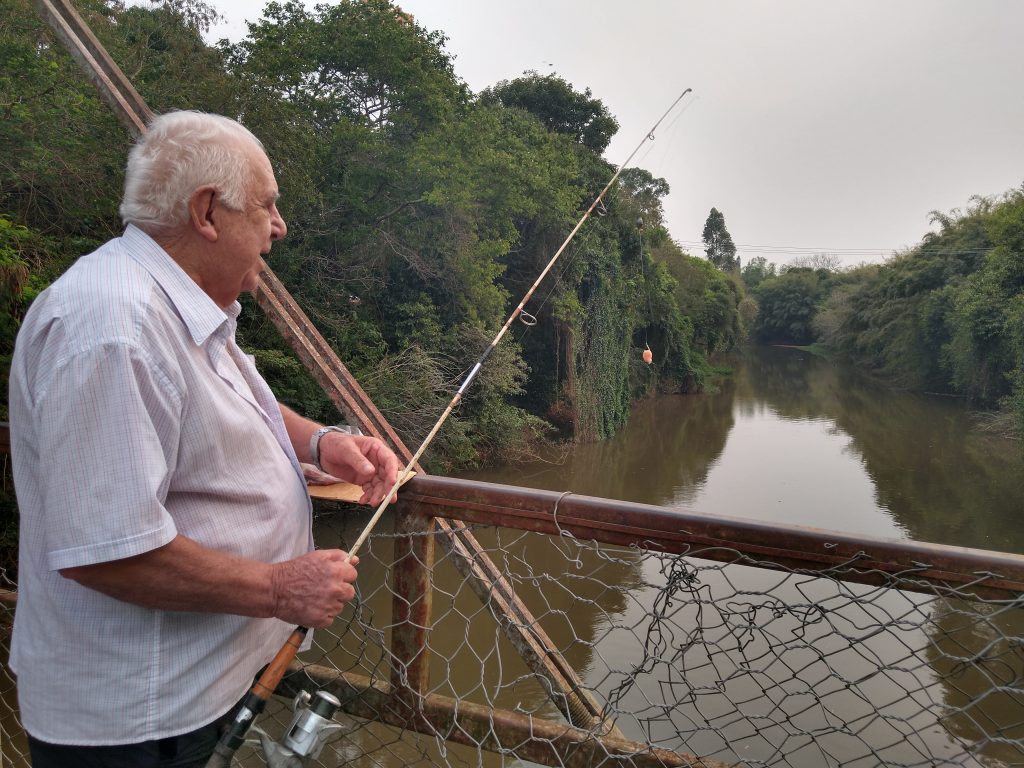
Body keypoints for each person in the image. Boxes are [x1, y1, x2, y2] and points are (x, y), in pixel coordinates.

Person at [7, 110, 401, 767]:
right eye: (267, 205)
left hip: (189, 697)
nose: (280, 226)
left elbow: (233, 400)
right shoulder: (115, 329)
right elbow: (104, 552)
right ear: (207, 212)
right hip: (136, 725)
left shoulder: (179, 306)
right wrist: (280, 590)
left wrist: (320, 444)